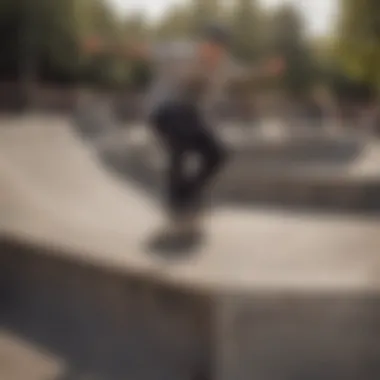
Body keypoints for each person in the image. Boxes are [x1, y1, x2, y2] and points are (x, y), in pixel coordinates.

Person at [144, 24, 285, 237]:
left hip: (191, 117)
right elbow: (142, 49)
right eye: (209, 48)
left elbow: (246, 73)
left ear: (224, 51)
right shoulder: (182, 52)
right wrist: (102, 46)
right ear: (203, 44)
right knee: (180, 140)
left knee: (217, 154)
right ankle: (175, 202)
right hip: (162, 111)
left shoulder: (226, 65)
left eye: (218, 51)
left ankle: (190, 193)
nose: (213, 55)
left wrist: (266, 69)